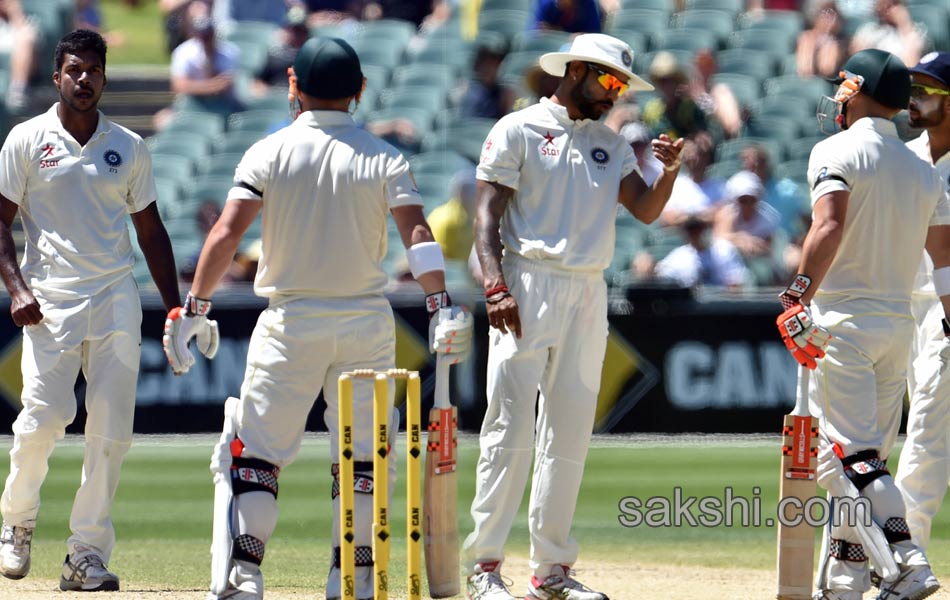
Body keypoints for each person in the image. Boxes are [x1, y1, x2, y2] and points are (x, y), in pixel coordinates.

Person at [160, 37, 473, 600]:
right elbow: (418, 236)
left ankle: (244, 574)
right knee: (360, 460)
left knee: (254, 456)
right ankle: (348, 575)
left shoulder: (270, 151)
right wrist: (439, 303)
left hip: (290, 323)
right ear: (360, 91)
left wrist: (195, 307)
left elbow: (227, 232)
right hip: (365, 325)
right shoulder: (384, 156)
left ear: (292, 85)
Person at [465, 33, 683, 600]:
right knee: (508, 429)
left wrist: (671, 171)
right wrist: (494, 287)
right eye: (608, 80)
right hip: (526, 280)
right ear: (577, 70)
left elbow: (647, 209)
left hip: (588, 291)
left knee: (569, 433)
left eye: (620, 85)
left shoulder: (611, 143)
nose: (614, 94)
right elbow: (486, 215)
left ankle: (550, 571)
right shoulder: (519, 128)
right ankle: (485, 566)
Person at [0, 30, 181, 592]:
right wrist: (16, 287)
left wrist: (175, 309)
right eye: (74, 70)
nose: (85, 80)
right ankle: (16, 524)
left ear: (104, 77)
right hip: (49, 302)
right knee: (42, 421)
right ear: (57, 77)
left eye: (94, 71)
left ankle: (85, 554)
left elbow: (151, 233)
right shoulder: (26, 140)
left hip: (114, 301)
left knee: (110, 433)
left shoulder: (128, 146)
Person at [776, 48, 947, 600]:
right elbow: (944, 261)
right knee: (867, 459)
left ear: (863, 90)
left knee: (846, 457)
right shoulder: (923, 172)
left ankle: (909, 560)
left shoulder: (835, 149)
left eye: (846, 85)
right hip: (899, 325)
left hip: (842, 321)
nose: (840, 95)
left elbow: (827, 226)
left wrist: (796, 295)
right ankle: (847, 578)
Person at [894, 50, 950, 553]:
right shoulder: (904, 158)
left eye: (924, 90)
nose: (912, 98)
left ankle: (903, 553)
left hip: (944, 308)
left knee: (929, 428)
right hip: (896, 306)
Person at [655, 215, 747, 288]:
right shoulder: (679, 256)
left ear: (706, 229)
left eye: (699, 229)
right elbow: (661, 276)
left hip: (720, 305)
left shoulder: (725, 249)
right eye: (691, 230)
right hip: (690, 308)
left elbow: (736, 285)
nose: (696, 234)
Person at [0, 0, 37, 112]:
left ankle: (17, 90)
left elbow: (23, 29)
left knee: (26, 37)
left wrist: (14, 12)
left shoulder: (26, 24)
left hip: (16, 37)